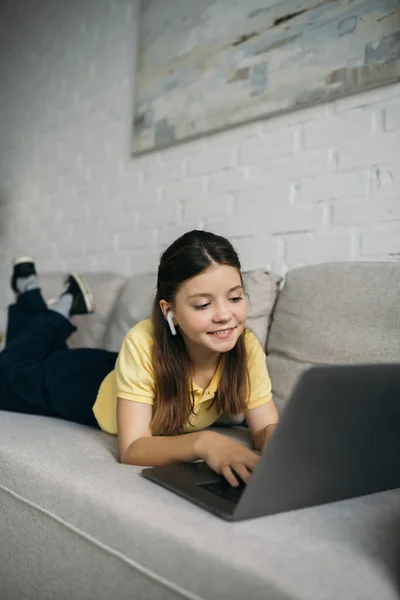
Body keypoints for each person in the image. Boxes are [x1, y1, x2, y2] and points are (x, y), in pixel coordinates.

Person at [0, 231, 279, 486]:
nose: (224, 315)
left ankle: (33, 295)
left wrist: (276, 439)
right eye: (203, 304)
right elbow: (133, 448)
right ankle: (61, 306)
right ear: (170, 311)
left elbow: (264, 429)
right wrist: (204, 443)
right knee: (7, 370)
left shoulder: (246, 347)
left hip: (128, 375)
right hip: (83, 385)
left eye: (235, 298)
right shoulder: (142, 342)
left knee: (30, 355)